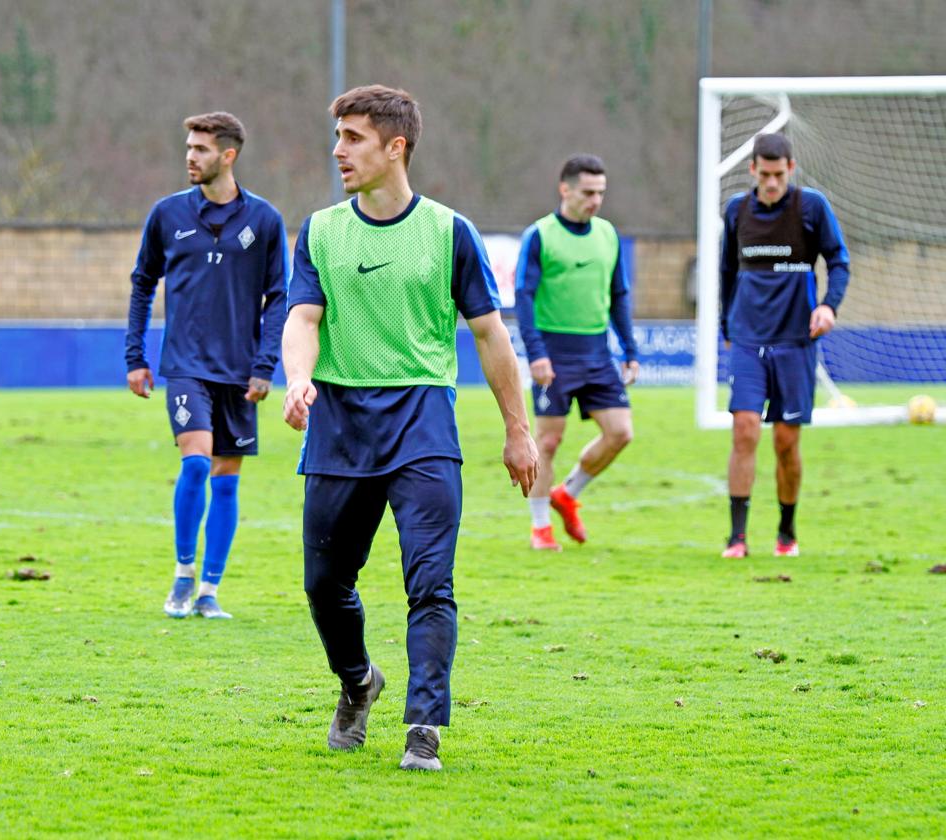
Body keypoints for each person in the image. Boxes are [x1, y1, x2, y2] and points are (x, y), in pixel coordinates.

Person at [282, 85, 537, 772]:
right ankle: (359, 681)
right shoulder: (322, 230)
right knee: (323, 583)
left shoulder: (451, 232)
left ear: (396, 147)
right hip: (337, 419)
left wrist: (518, 430)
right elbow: (303, 319)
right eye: (337, 137)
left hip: (422, 419)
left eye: (354, 138)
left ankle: (424, 725)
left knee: (430, 582)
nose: (339, 151)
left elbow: (491, 336)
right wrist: (299, 377)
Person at [125, 112, 288, 620]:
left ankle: (210, 590)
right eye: (189, 148)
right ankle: (181, 575)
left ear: (228, 155)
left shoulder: (264, 221)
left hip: (240, 373)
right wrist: (135, 356)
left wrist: (265, 364)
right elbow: (142, 282)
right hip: (185, 366)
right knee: (195, 461)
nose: (190, 157)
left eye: (200, 149)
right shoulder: (167, 214)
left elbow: (279, 296)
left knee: (227, 479)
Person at [719, 132, 849, 558]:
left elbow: (839, 261)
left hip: (796, 341)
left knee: (785, 441)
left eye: (779, 174)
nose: (772, 182)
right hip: (748, 337)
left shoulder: (811, 207)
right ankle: (737, 537)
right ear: (753, 169)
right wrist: (726, 326)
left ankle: (786, 532)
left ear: (790, 169)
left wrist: (828, 306)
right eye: (765, 173)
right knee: (744, 430)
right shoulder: (737, 210)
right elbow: (726, 272)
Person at [514, 155, 639, 551]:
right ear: (565, 189)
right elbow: (524, 296)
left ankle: (567, 494)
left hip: (597, 352)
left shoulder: (608, 235)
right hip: (552, 351)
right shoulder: (540, 235)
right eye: (588, 192)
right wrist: (536, 354)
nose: (596, 200)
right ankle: (539, 528)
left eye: (601, 193)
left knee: (621, 433)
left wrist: (630, 350)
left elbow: (618, 295)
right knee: (548, 441)